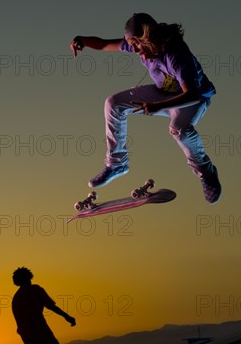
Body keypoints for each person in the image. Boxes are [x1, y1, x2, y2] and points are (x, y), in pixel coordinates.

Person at [70, 13, 221, 204]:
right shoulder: (136, 45)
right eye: (132, 48)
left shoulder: (176, 55)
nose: (137, 53)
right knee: (113, 103)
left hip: (193, 100)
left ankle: (206, 172)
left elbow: (192, 94)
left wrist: (158, 106)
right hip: (162, 94)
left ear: (147, 39)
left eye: (137, 47)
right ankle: (117, 164)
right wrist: (82, 40)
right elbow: (104, 44)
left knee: (179, 130)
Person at [11, 267, 76, 344]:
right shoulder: (36, 289)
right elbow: (51, 306)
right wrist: (67, 317)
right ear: (29, 277)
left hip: (27, 337)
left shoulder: (16, 297)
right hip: (41, 333)